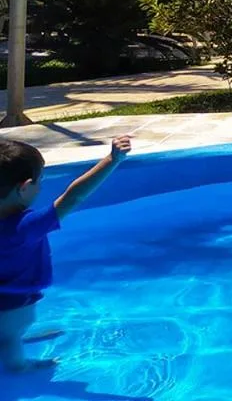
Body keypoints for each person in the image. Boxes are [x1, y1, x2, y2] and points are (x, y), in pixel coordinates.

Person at [1, 136, 133, 373]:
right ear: (24, 187)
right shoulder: (25, 227)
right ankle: (18, 368)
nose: (40, 187)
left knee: (10, 328)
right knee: (13, 334)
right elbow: (74, 197)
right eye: (39, 181)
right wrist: (112, 160)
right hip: (12, 301)